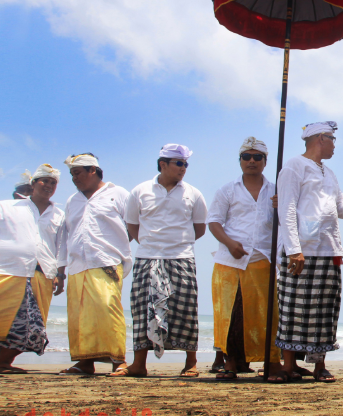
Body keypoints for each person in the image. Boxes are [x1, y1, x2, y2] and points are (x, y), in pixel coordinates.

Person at [276, 121, 343, 382]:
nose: (335, 145)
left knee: (325, 307)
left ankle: (319, 365)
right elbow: (287, 208)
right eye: (333, 140)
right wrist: (293, 249)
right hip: (301, 248)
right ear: (320, 139)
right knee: (293, 307)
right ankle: (289, 364)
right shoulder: (294, 165)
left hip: (328, 248)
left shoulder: (330, 173)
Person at [119, 144, 207, 378]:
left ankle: (191, 363)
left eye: (186, 164)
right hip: (147, 258)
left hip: (182, 258)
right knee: (143, 309)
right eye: (179, 163)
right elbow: (132, 225)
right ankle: (138, 365)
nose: (184, 168)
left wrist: (177, 243)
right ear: (163, 165)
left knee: (186, 309)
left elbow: (200, 228)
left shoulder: (193, 193)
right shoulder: (140, 191)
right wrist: (152, 244)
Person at [208, 137, 283, 381]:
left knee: (267, 314)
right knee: (232, 314)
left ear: (265, 161)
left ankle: (271, 363)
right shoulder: (227, 190)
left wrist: (280, 207)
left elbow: (287, 224)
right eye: (246, 157)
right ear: (240, 161)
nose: (251, 161)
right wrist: (229, 244)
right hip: (230, 261)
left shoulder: (276, 191)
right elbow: (214, 221)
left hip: (263, 259)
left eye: (257, 157)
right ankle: (230, 363)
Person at [58, 153, 132, 375]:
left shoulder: (117, 194)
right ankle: (84, 362)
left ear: (93, 171)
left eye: (77, 173)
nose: (74, 179)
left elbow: (135, 224)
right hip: (77, 265)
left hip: (106, 261)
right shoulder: (73, 200)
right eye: (72, 174)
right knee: (79, 315)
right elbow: (65, 236)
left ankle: (118, 360)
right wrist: (60, 270)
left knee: (107, 307)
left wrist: (116, 246)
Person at [0, 165, 65, 373]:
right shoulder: (10, 207)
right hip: (11, 270)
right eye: (44, 181)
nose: (48, 185)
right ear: (33, 184)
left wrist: (60, 274)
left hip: (43, 272)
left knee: (34, 327)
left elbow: (61, 246)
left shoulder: (59, 215)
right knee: (9, 319)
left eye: (53, 182)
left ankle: (3, 361)